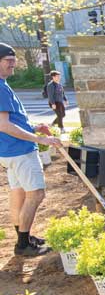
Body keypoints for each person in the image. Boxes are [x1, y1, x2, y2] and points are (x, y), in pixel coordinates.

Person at [0, 43, 60, 256]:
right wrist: (36, 137)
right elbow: (4, 125)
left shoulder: (3, 85)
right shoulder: (0, 88)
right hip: (21, 151)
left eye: (14, 59)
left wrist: (36, 127)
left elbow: (13, 120)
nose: (13, 64)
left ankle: (23, 238)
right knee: (36, 194)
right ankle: (23, 244)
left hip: (10, 153)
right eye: (8, 60)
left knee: (19, 194)